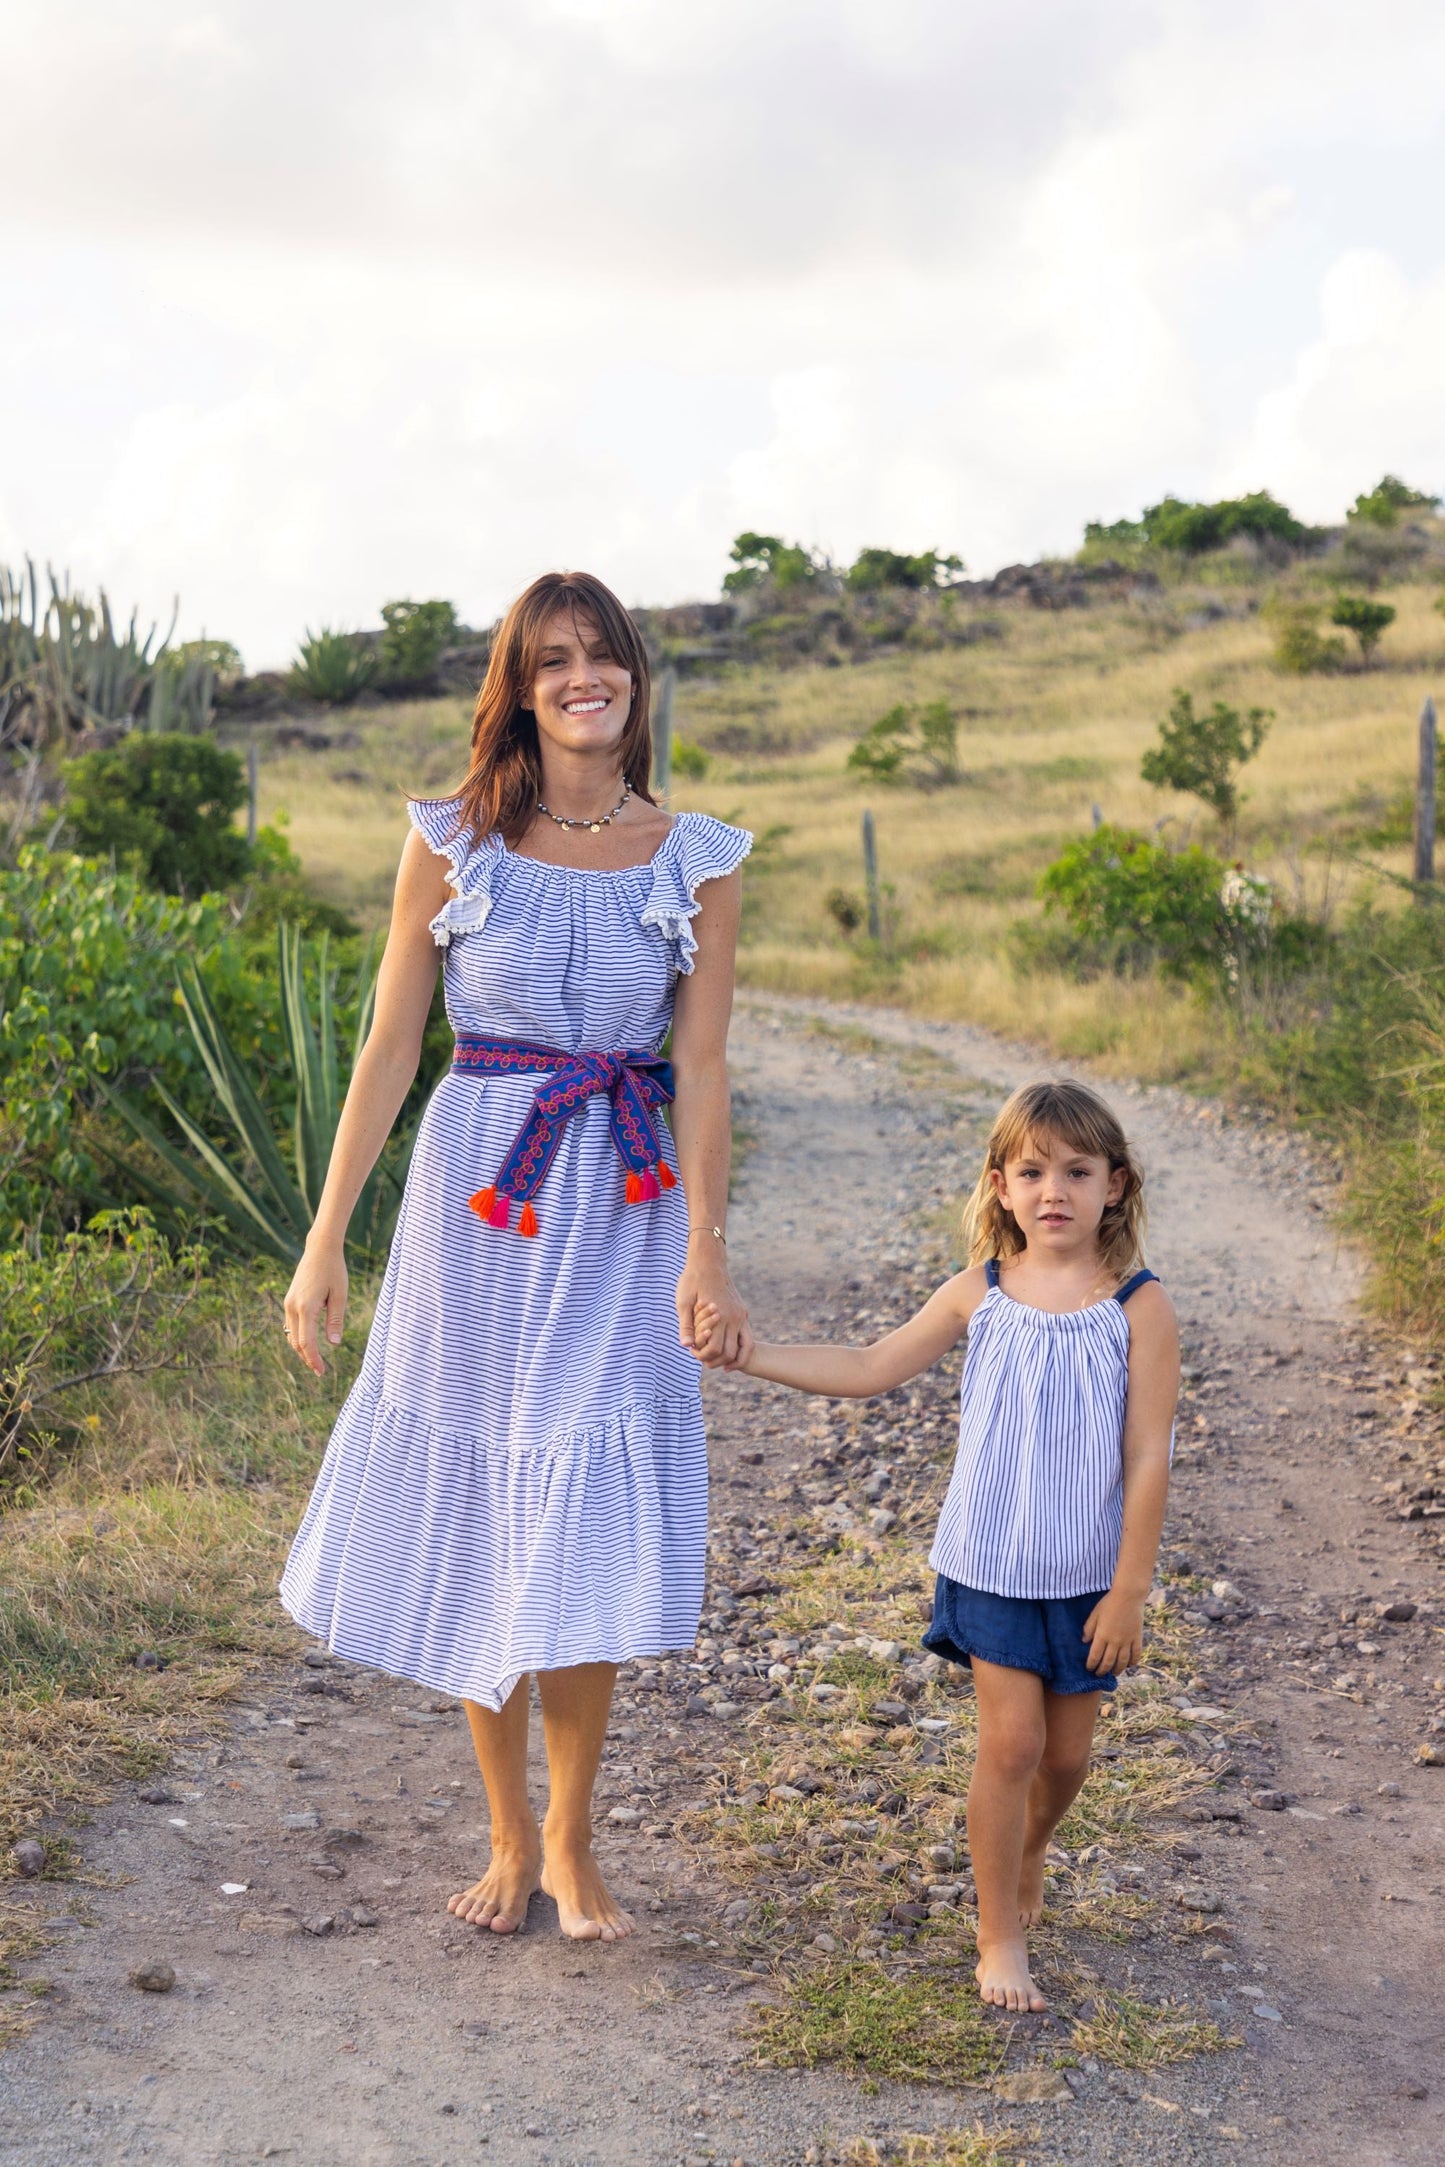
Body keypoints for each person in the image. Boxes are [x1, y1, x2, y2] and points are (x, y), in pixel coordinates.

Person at [279, 570, 751, 1943]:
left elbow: (707, 1066)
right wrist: (323, 1246)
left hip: (625, 1194)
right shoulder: (453, 838)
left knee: (585, 1495)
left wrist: (707, 1253)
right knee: (489, 1499)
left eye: (601, 654)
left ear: (635, 678)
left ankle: (570, 1830)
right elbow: (387, 1050)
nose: (580, 677)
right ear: (519, 684)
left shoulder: (697, 856)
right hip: (475, 1198)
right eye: (551, 659)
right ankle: (500, 1825)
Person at [697, 1079, 1178, 2012]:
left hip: (1086, 1574)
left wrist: (1130, 1588)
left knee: (1068, 1759)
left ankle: (1031, 1848)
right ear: (999, 1185)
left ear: (1114, 1185)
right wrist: (752, 1355)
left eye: (1077, 1171)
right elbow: (870, 1367)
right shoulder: (977, 1293)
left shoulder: (1138, 1307)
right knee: (1010, 1743)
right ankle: (997, 1932)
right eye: (1032, 1171)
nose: (1054, 1191)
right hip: (990, 1561)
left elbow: (1148, 1453)